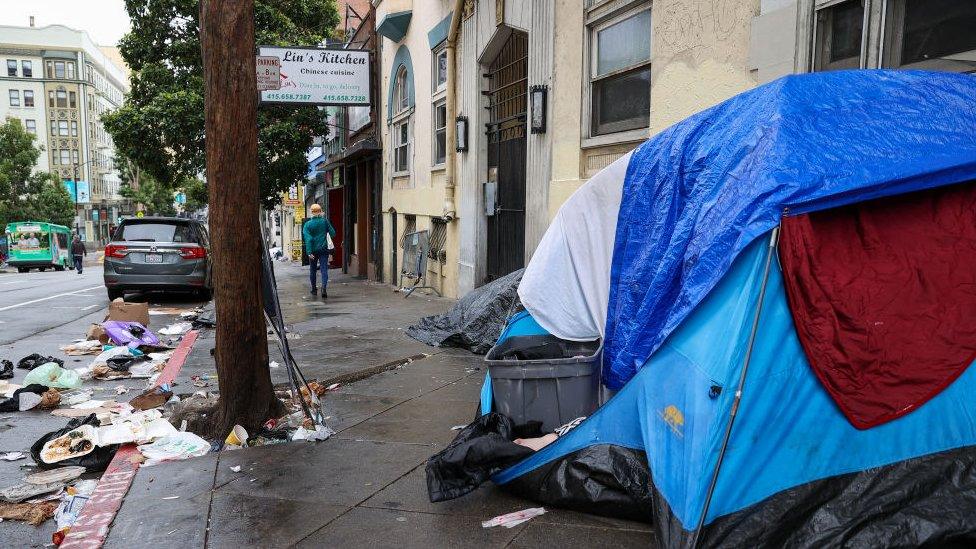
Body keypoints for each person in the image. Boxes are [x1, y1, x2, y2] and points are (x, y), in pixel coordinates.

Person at [301, 203, 336, 298]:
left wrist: (309, 252)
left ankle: (313, 289)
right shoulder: (325, 221)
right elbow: (333, 233)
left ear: (311, 212)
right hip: (323, 249)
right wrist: (325, 234)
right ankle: (324, 287)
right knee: (324, 269)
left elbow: (308, 239)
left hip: (312, 250)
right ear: (321, 212)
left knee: (312, 270)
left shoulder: (307, 225)